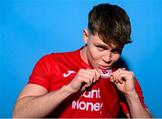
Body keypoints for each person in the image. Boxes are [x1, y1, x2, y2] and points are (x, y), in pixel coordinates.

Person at [13, 3, 152, 118]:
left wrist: (131, 96)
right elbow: (19, 116)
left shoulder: (123, 77)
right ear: (86, 36)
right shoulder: (52, 63)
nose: (107, 58)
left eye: (116, 51)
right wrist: (69, 89)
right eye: (100, 47)